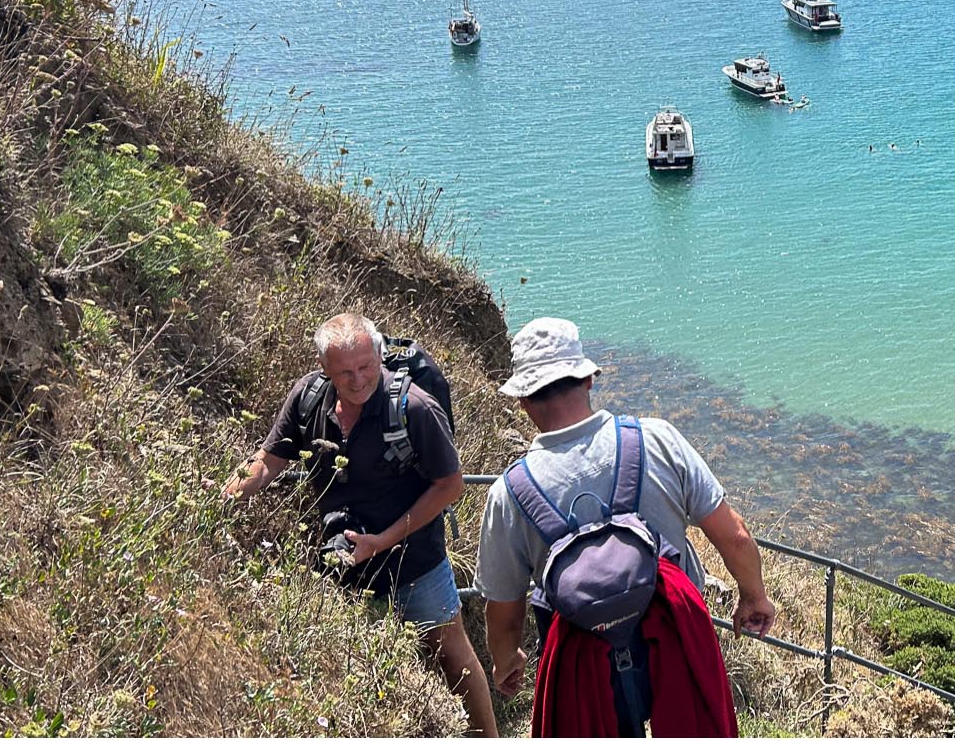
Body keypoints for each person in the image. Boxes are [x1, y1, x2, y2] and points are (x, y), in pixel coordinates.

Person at [475, 318, 772, 735]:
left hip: (584, 662)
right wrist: (753, 597)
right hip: (677, 637)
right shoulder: (657, 439)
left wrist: (507, 660)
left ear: (522, 400)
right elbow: (735, 536)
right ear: (588, 379)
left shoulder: (510, 493)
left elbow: (504, 610)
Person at [225, 311, 498, 735]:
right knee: (358, 665)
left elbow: (450, 486)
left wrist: (383, 539)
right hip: (343, 569)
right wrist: (224, 497)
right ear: (324, 369)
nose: (357, 380)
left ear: (379, 356)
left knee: (452, 656)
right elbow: (269, 460)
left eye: (366, 367)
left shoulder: (415, 409)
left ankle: (487, 737)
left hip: (416, 564)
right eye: (344, 372)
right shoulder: (308, 399)